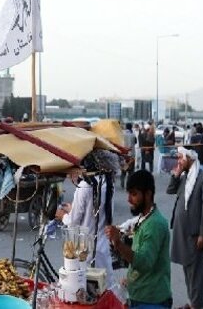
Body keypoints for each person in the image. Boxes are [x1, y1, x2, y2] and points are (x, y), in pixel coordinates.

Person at [105, 170, 172, 309]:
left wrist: (118, 242)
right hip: (139, 296)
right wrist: (130, 278)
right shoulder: (144, 219)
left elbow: (143, 262)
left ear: (147, 194)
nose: (129, 199)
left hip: (152, 301)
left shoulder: (154, 224)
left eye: (134, 194)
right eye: (129, 193)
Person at [56, 150, 117, 288]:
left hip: (88, 249)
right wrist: (73, 208)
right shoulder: (108, 183)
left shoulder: (84, 187)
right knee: (105, 288)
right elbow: (96, 212)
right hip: (103, 246)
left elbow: (73, 222)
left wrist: (63, 216)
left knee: (87, 290)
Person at [167, 148, 203, 309]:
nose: (178, 161)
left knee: (197, 275)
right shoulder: (186, 177)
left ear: (190, 158)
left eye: (181, 158)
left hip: (195, 235)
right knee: (188, 271)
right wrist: (176, 173)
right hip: (183, 233)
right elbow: (170, 190)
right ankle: (192, 302)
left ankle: (196, 306)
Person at [121, 123, 136, 189]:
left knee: (124, 169)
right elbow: (135, 142)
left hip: (124, 155)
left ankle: (122, 183)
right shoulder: (133, 135)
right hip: (131, 155)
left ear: (126, 127)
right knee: (131, 171)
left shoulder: (122, 134)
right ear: (131, 127)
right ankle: (128, 184)